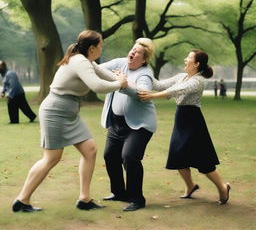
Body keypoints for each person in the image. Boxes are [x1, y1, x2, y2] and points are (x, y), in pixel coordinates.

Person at [12, 30, 128, 213]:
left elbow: (105, 74)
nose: (101, 48)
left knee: (89, 149)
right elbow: (97, 86)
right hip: (55, 111)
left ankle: (84, 199)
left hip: (69, 111)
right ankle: (22, 200)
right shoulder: (80, 61)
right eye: (100, 46)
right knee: (51, 158)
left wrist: (121, 79)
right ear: (92, 48)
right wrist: (119, 84)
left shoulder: (86, 60)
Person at [138, 49, 231, 205]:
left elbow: (177, 90)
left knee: (204, 161)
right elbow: (159, 85)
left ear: (196, 63)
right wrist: (144, 70)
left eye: (188, 57)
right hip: (181, 119)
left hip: (194, 121)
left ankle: (222, 187)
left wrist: (152, 96)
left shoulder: (198, 81)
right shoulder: (181, 76)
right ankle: (190, 186)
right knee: (177, 155)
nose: (185, 59)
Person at [93, 38, 157, 211]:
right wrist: (83, 60)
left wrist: (122, 83)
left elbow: (141, 93)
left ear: (144, 59)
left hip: (139, 126)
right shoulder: (120, 63)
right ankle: (119, 192)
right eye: (132, 49)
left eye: (137, 53)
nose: (132, 53)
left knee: (129, 157)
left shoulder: (145, 74)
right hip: (117, 123)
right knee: (110, 156)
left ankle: (137, 199)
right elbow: (98, 69)